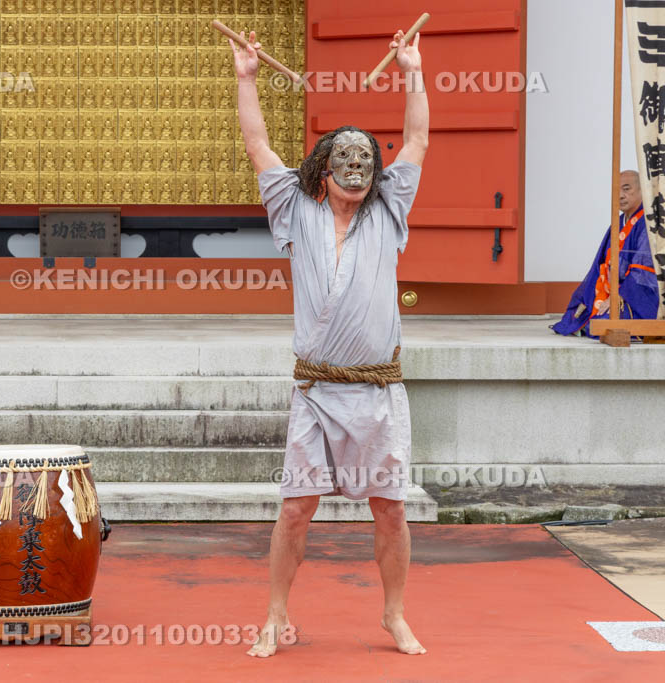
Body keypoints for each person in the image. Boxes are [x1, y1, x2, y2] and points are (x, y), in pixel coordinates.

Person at [232, 29, 428, 657]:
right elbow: (258, 145)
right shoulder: (297, 210)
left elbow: (417, 141)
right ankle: (274, 614)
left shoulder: (389, 210)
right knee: (295, 508)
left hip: (377, 393)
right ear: (323, 167)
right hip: (315, 391)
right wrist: (246, 77)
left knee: (390, 509)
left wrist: (412, 70)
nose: (356, 168)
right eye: (344, 158)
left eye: (365, 159)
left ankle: (394, 614)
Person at [552, 170, 657, 336]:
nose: (620, 196)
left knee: (604, 322)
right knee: (575, 313)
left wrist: (619, 296)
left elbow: (643, 270)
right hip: (609, 287)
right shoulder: (618, 222)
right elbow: (600, 263)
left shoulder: (648, 223)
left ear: (642, 190)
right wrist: (594, 292)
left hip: (636, 294)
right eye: (616, 191)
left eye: (626, 189)